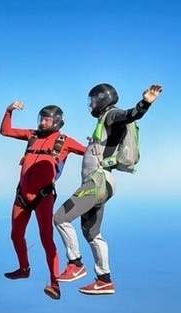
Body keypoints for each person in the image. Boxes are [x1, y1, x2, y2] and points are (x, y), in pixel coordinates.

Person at [53, 83, 163, 295]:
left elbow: (129, 115)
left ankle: (75, 264)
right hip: (102, 183)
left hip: (97, 182)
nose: (91, 104)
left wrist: (144, 103)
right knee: (92, 233)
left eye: (93, 100)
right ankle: (104, 280)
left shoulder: (111, 115)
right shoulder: (105, 124)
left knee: (60, 218)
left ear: (103, 99)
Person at [0, 101, 85, 299]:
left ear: (57, 122)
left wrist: (99, 146)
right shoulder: (32, 135)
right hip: (22, 195)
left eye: (47, 120)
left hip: (43, 196)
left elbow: (89, 152)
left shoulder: (65, 140)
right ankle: (24, 268)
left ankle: (55, 283)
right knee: (16, 235)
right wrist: (9, 110)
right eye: (41, 119)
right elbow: (5, 131)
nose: (42, 123)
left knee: (46, 239)